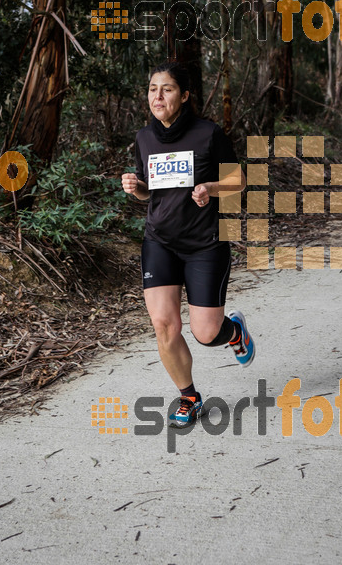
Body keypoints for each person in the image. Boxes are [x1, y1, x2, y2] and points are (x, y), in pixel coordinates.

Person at [121, 62, 254, 429]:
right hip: (159, 241)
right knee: (164, 325)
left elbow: (240, 181)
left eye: (166, 89)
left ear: (184, 95)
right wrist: (137, 188)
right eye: (152, 89)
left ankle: (235, 332)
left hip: (204, 243)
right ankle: (190, 397)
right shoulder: (144, 138)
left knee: (207, 332)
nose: (157, 96)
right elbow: (152, 191)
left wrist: (210, 189)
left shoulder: (208, 134)